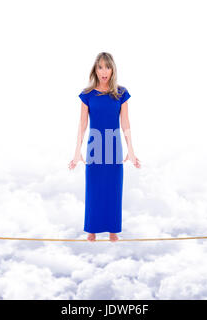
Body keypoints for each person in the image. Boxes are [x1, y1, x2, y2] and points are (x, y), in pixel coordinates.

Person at [68, 52, 141, 242]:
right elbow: (82, 125)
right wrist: (77, 152)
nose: (104, 71)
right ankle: (91, 229)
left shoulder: (121, 93)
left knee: (113, 187)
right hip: (95, 145)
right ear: (95, 69)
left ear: (112, 69)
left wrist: (131, 151)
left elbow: (126, 123)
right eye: (100, 67)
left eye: (107, 67)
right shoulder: (87, 95)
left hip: (114, 145)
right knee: (94, 187)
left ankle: (112, 229)